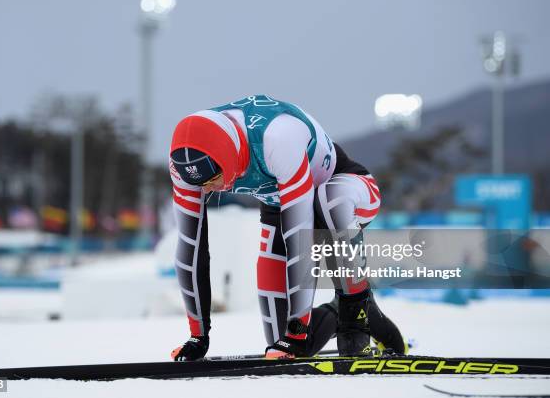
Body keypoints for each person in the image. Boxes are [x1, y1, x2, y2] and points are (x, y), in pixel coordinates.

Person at [168, 95, 405, 361]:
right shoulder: (186, 164)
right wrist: (198, 336)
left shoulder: (277, 138)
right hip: (282, 204)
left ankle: (355, 307)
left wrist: (296, 332)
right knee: (280, 344)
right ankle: (341, 313)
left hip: (348, 188)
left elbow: (301, 242)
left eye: (214, 179)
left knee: (329, 201)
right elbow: (190, 248)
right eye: (200, 185)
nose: (207, 189)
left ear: (229, 156)